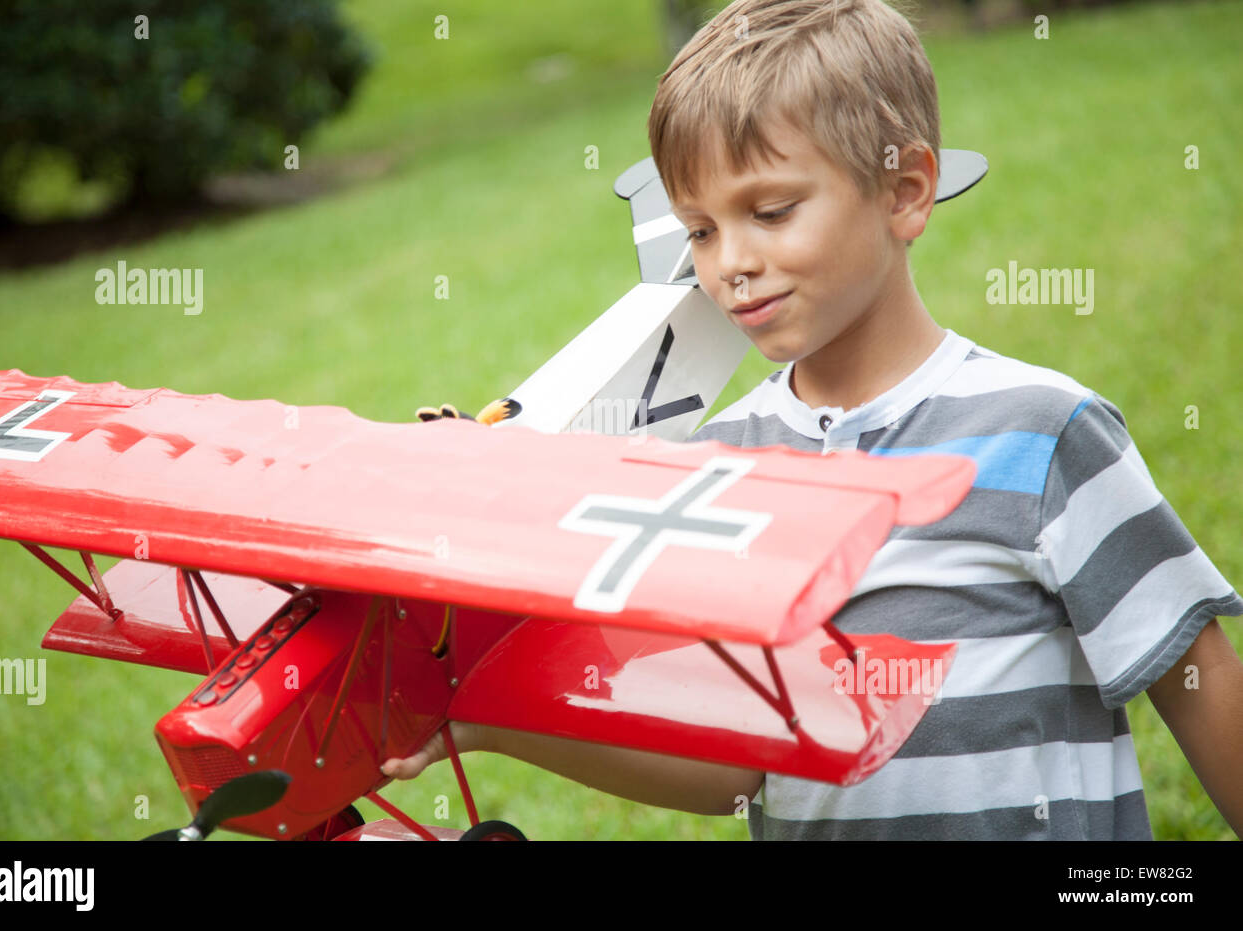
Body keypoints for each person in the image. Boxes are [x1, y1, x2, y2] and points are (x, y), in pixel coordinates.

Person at [384, 0, 1243, 839]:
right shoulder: (719, 468)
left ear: (905, 192)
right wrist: (484, 719)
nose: (732, 265)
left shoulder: (1044, 433)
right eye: (700, 231)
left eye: (770, 212)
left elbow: (1199, 683)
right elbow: (736, 765)